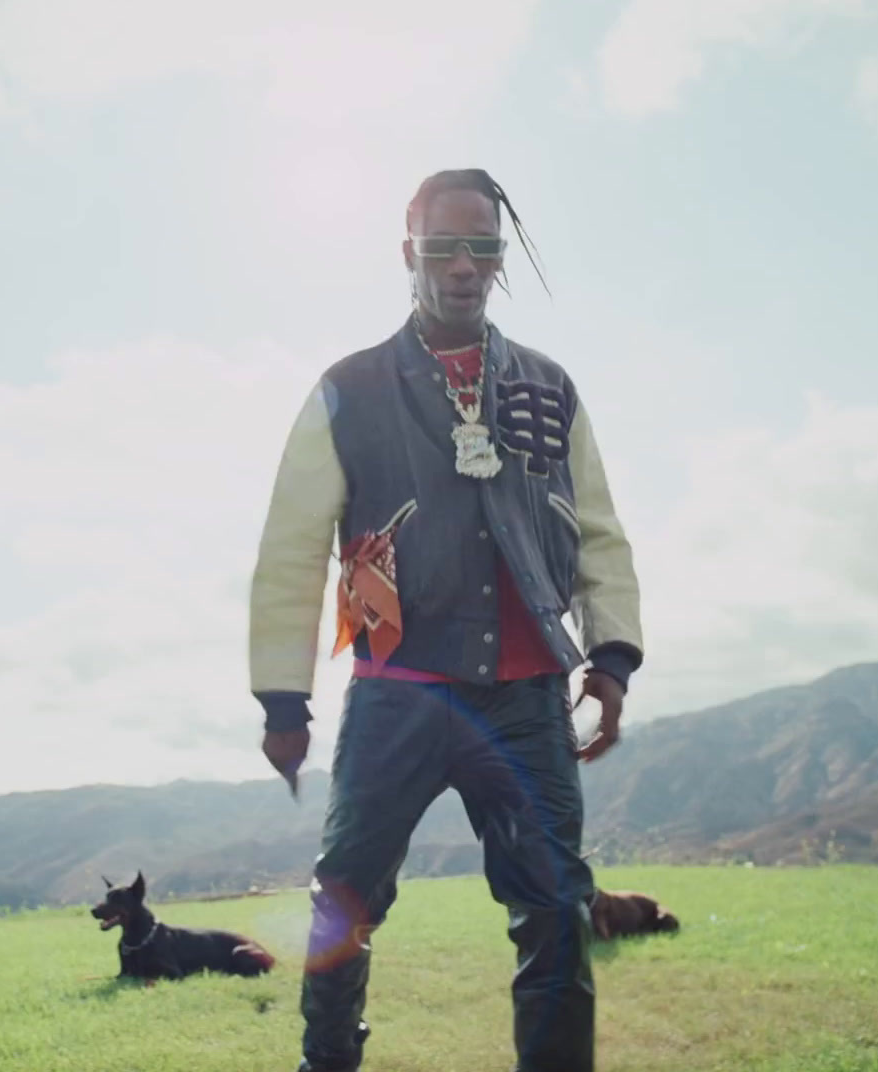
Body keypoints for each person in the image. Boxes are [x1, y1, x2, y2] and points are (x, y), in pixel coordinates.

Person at [247, 168, 644, 1072]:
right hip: (399, 695)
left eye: (484, 247)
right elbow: (292, 548)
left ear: (500, 259)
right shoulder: (347, 389)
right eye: (443, 246)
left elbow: (599, 532)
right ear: (408, 253)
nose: (464, 267)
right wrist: (284, 700)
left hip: (527, 701)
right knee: (343, 899)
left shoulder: (551, 388)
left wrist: (611, 660)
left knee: (554, 909)